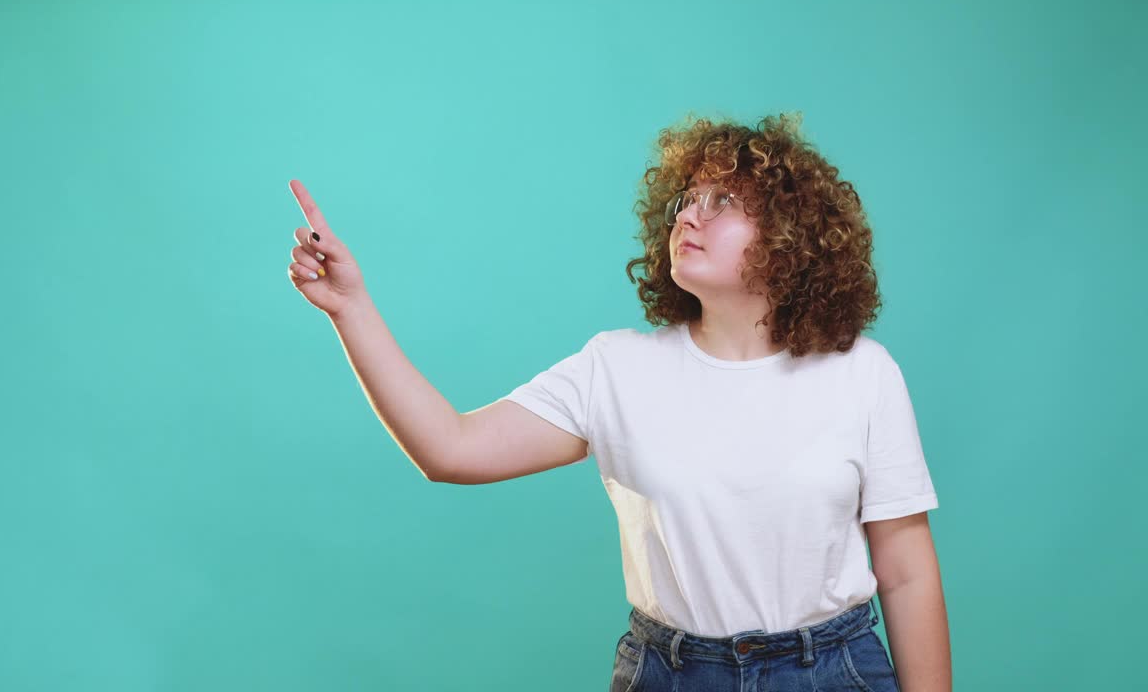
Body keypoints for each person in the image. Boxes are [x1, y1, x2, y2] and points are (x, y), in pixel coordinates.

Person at [286, 111, 951, 692]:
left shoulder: (864, 375)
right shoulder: (617, 367)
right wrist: (351, 308)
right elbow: (449, 448)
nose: (690, 213)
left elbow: (905, 571)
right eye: (687, 199)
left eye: (723, 201)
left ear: (792, 239)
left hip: (832, 673)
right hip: (672, 675)